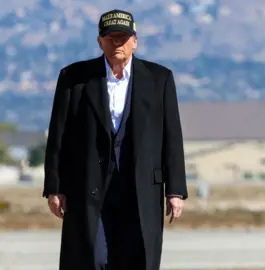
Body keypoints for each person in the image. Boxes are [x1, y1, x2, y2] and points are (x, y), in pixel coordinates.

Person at [42, 9, 188, 270]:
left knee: (134, 257)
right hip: (88, 186)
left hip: (140, 186)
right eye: (111, 38)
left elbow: (172, 137)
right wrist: (55, 187)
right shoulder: (74, 79)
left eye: (123, 37)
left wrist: (175, 190)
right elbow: (58, 136)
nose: (117, 43)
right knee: (92, 258)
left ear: (135, 41)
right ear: (100, 42)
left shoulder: (159, 79)